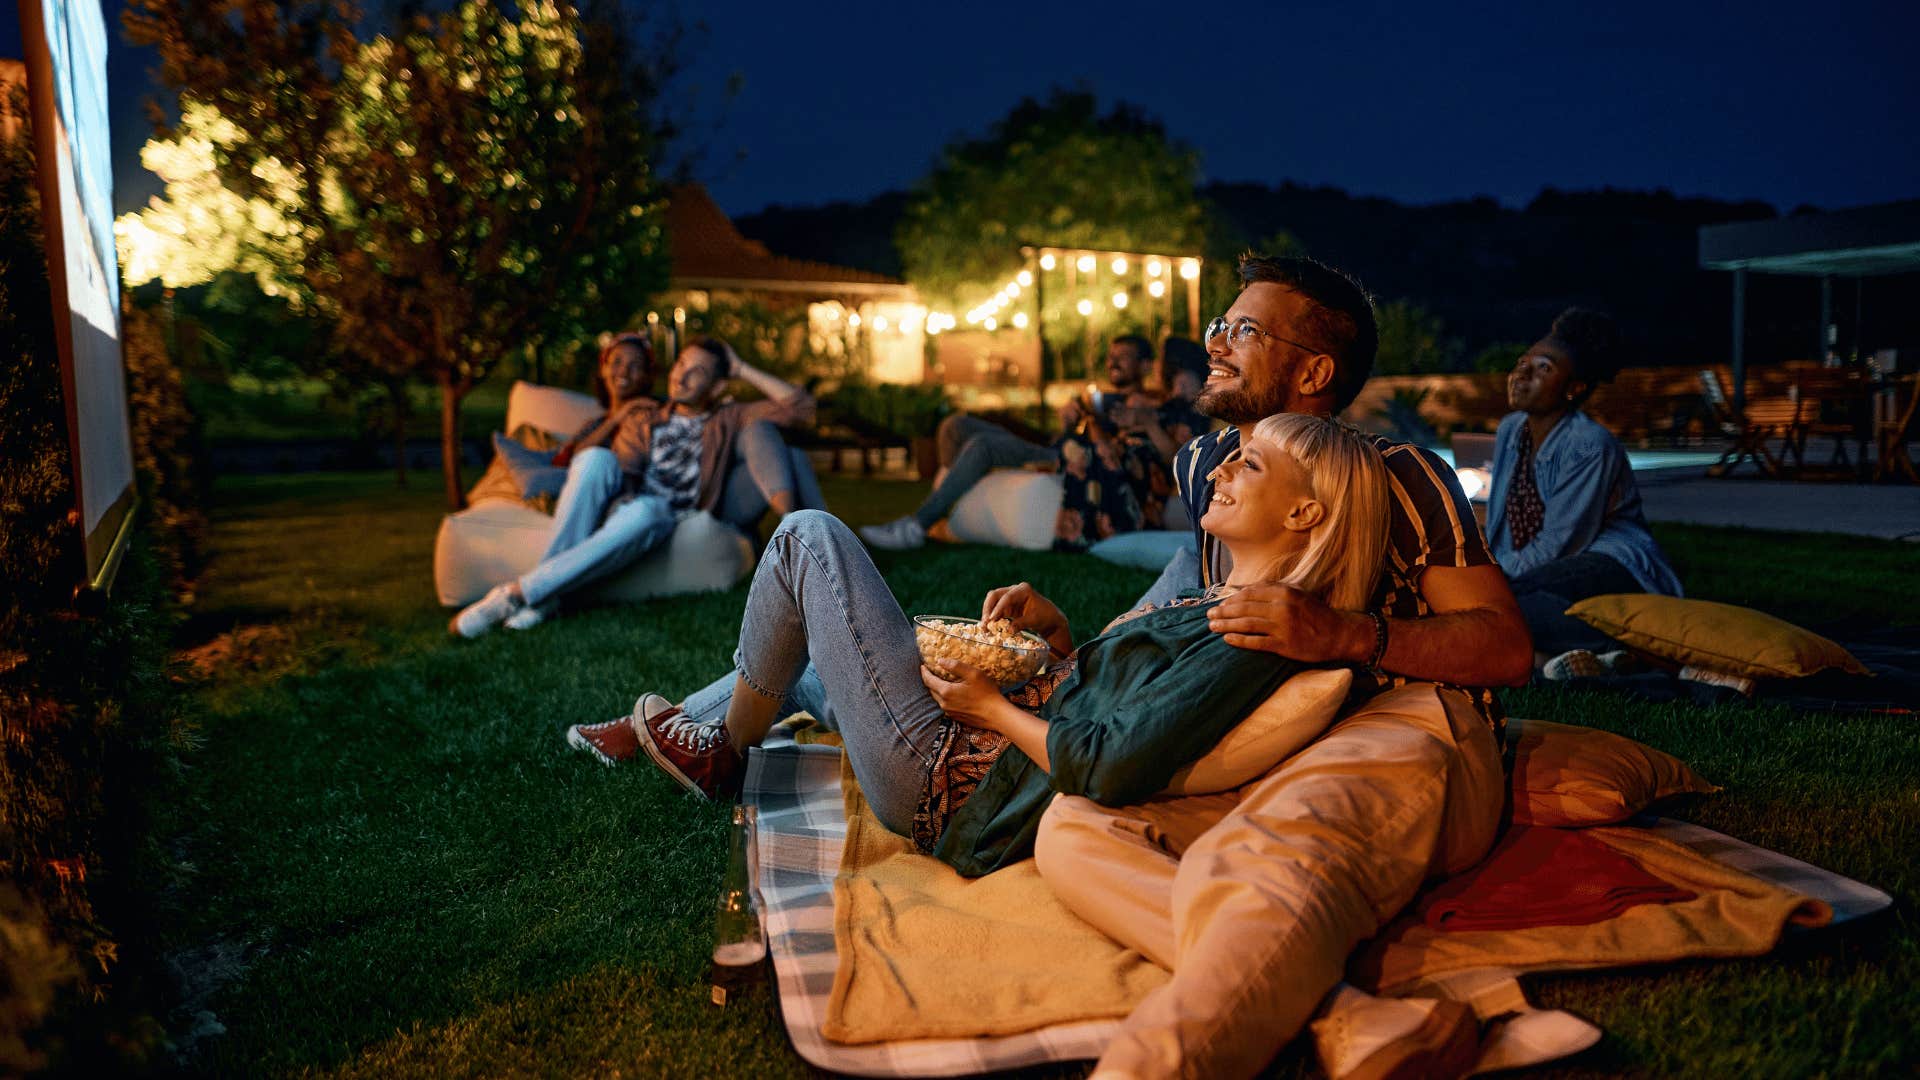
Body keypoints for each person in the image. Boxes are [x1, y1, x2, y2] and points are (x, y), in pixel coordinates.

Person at [1030, 254, 1534, 1078]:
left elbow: (1508, 647)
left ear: (1314, 368)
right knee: (1076, 825)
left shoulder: (1403, 475)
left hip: (1403, 726)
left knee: (1268, 850)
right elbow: (1199, 630)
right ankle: (1349, 1017)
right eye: (1218, 327)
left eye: (1243, 330)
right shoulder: (1207, 467)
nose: (1217, 344)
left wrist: (1346, 635)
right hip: (1266, 731)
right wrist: (1078, 653)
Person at [611, 413, 1389, 886]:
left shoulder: (1251, 636)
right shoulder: (1221, 604)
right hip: (969, 750)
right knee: (819, 662)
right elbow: (1111, 698)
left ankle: (722, 755)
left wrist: (987, 706)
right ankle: (683, 730)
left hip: (952, 787)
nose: (1218, 467)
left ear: (1304, 512)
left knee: (807, 540)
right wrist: (1054, 639)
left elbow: (1112, 761)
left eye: (1247, 463)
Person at [451, 335, 819, 637]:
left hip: (672, 515)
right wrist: (618, 511)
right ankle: (544, 598)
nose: (682, 377)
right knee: (599, 463)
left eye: (698, 372)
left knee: (651, 509)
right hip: (634, 511)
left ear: (718, 385)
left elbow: (800, 410)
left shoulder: (728, 417)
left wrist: (740, 368)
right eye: (680, 365)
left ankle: (516, 593)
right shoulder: (643, 419)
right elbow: (623, 475)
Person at [1484, 309, 1682, 668]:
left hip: (1606, 559)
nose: (1522, 374)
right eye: (1522, 363)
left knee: (1504, 601)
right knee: (1493, 598)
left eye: (1543, 368)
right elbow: (1501, 518)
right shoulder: (1511, 430)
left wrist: (1491, 577)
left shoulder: (1589, 444)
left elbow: (1561, 542)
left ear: (1575, 389)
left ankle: (1655, 657)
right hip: (1545, 566)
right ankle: (1560, 657)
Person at [858, 335, 1166, 551]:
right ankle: (950, 501)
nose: (1113, 362)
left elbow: (1122, 457)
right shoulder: (1097, 396)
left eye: (1122, 357)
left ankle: (917, 526)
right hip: (1056, 448)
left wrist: (1112, 420)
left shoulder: (1153, 405)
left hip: (1069, 462)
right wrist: (1069, 421)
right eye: (1111, 357)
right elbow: (1061, 439)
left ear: (1145, 366)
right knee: (954, 426)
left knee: (983, 445)